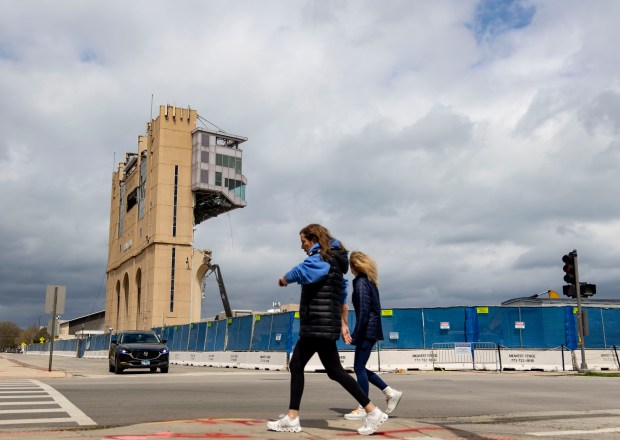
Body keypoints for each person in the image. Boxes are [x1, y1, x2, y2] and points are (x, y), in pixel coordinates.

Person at [267, 224, 388, 436]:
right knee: (335, 371)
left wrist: (285, 278)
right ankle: (371, 410)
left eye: (303, 242)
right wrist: (342, 324)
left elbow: (302, 271)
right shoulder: (336, 262)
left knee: (297, 365)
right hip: (325, 324)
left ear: (314, 239)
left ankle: (293, 418)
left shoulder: (321, 259)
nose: (302, 246)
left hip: (316, 323)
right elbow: (342, 300)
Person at [344, 251, 403, 420]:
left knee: (359, 368)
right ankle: (390, 393)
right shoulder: (369, 282)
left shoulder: (361, 284)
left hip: (367, 331)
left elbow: (363, 312)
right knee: (360, 367)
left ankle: (365, 407)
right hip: (371, 330)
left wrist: (355, 334)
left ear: (354, 266)